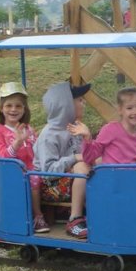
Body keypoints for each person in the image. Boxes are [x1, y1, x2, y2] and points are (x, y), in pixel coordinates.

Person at [35, 81, 100, 240]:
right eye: (79, 100)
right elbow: (48, 172)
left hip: (72, 178)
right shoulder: (49, 135)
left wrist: (87, 138)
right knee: (82, 166)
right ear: (65, 106)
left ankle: (103, 212)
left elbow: (88, 155)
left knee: (100, 161)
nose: (83, 103)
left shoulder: (76, 127)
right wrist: (74, 159)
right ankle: (74, 219)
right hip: (50, 185)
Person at [0, 81, 49, 234]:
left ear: (24, 109)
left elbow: (37, 151)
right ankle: (38, 216)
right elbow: (3, 157)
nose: (13, 109)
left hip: (33, 168)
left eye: (18, 106)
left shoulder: (28, 128)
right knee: (34, 178)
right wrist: (16, 143)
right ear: (2, 108)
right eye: (9, 105)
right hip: (13, 172)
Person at [89, 86, 136, 164]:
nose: (135, 112)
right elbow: (92, 154)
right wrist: (87, 139)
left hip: (131, 171)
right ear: (120, 110)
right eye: (129, 108)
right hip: (111, 171)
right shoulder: (110, 129)